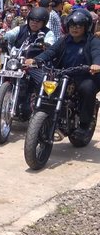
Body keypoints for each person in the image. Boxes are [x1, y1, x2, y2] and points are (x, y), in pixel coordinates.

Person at [25, 9, 100, 140]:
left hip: (85, 76)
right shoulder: (64, 40)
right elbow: (51, 51)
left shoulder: (93, 41)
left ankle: (84, 125)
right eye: (71, 25)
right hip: (63, 74)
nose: (74, 28)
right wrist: (36, 60)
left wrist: (96, 64)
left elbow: (97, 53)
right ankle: (39, 114)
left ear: (86, 27)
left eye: (78, 25)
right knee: (44, 83)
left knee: (87, 89)